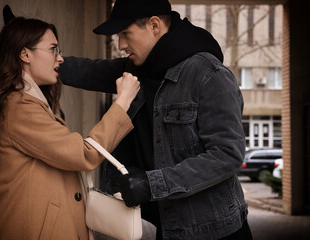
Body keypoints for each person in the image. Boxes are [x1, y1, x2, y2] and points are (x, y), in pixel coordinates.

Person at [59, 0, 252, 239]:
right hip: (163, 226)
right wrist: (34, 51)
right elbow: (88, 71)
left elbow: (227, 155)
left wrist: (153, 185)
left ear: (154, 25)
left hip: (212, 230)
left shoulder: (209, 75)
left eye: (126, 34)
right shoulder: (140, 68)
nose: (121, 45)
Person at [0, 13, 140, 240]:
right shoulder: (19, 107)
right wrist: (122, 102)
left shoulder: (26, 102)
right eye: (53, 49)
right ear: (25, 53)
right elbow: (86, 154)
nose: (60, 58)